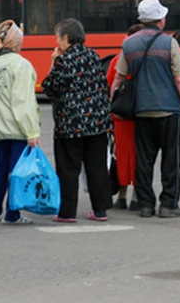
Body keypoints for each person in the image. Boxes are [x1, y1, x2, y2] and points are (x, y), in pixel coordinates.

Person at [110, 0, 180, 219]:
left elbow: (118, 79)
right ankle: (168, 204)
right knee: (171, 159)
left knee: (144, 159)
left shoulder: (129, 44)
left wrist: (114, 104)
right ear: (160, 19)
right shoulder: (169, 43)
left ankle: (146, 204)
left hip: (141, 110)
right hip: (168, 110)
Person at [41, 19, 113, 223]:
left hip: (70, 124)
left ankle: (67, 212)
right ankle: (100, 210)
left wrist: (54, 61)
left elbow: (49, 87)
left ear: (65, 38)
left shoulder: (65, 60)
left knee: (68, 169)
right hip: (97, 123)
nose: (57, 42)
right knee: (97, 166)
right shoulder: (93, 55)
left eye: (58, 37)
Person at [0, 20, 41, 225]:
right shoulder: (21, 65)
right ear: (16, 42)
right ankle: (12, 214)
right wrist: (31, 131)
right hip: (17, 128)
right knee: (16, 172)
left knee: (0, 168)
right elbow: (23, 103)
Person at [106, 23, 144, 211]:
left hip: (120, 115)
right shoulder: (146, 60)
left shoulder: (116, 61)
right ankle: (137, 195)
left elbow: (109, 86)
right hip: (142, 114)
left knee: (121, 155)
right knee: (140, 155)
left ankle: (121, 195)